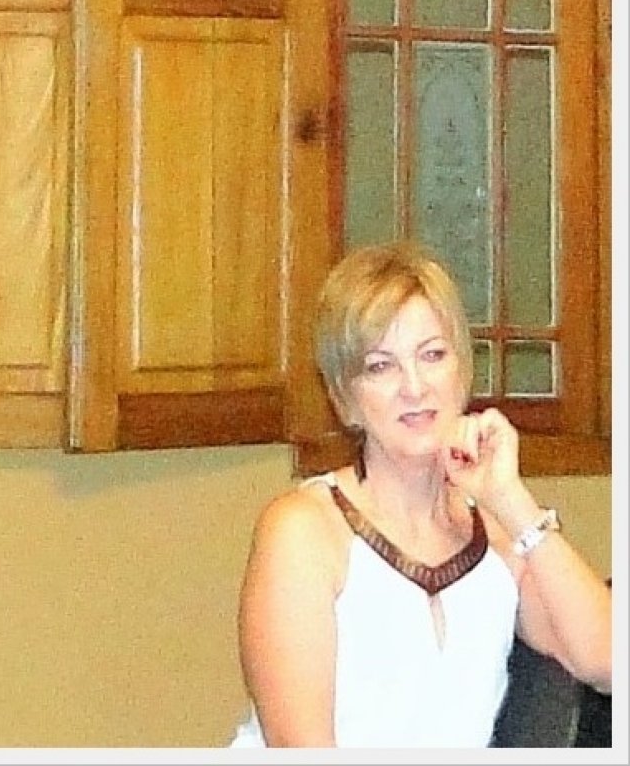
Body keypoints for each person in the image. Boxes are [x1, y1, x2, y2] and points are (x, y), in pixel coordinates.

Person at [229, 241, 612, 748]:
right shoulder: (302, 530)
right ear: (345, 397)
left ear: (462, 371)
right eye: (380, 366)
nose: (414, 387)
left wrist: (510, 499)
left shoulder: (498, 535)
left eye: (432, 355)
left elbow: (608, 662)